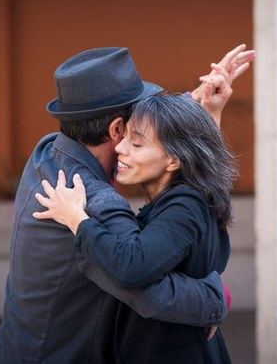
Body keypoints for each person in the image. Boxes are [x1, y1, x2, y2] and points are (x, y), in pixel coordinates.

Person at [0, 45, 254, 363]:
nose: (133, 140)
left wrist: (197, 103)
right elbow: (145, 288)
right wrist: (216, 298)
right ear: (118, 130)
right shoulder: (92, 202)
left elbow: (166, 144)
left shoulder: (48, 152)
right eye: (134, 128)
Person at [34, 91, 237, 363]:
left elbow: (134, 267)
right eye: (125, 136)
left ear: (174, 160)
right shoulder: (189, 199)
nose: (120, 148)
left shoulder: (185, 205)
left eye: (137, 144)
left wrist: (75, 219)